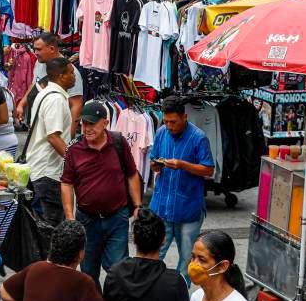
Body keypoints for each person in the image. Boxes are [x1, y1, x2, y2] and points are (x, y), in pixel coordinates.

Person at [61, 101, 142, 283]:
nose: (86, 128)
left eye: (91, 124)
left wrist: (137, 206)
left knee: (118, 270)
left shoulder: (119, 142)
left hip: (117, 217)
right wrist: (69, 216)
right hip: (87, 220)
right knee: (88, 272)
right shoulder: (74, 149)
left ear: (105, 123)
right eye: (84, 124)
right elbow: (66, 183)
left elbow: (131, 175)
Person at [150, 96, 214, 283]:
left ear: (184, 117)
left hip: (188, 206)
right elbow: (154, 157)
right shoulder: (161, 132)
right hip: (162, 206)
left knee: (187, 258)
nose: (169, 126)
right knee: (155, 253)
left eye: (173, 122)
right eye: (166, 121)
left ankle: (181, 294)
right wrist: (156, 166)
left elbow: (209, 169)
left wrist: (182, 165)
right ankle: (150, 290)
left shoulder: (198, 138)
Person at [26, 58, 76, 226]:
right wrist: (75, 162)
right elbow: (53, 137)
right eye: (71, 73)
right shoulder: (55, 99)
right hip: (48, 173)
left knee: (44, 228)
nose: (74, 76)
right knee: (51, 230)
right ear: (61, 76)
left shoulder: (46, 94)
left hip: (41, 170)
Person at [15, 33, 83, 137]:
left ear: (51, 49)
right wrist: (21, 104)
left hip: (56, 131)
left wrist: (69, 137)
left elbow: (76, 105)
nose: (35, 52)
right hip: (38, 126)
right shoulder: (40, 63)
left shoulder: (70, 73)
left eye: (39, 49)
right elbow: (35, 84)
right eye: (34, 49)